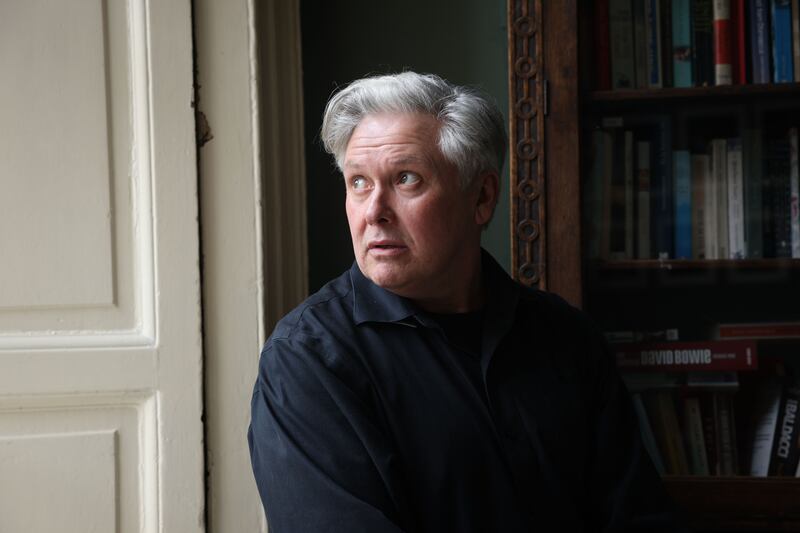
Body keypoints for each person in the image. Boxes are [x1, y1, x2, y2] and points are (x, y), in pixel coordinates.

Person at [248, 71, 686, 532]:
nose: (373, 211)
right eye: (358, 182)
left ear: (482, 196)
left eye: (406, 179)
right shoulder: (308, 360)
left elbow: (640, 517)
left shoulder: (567, 337)